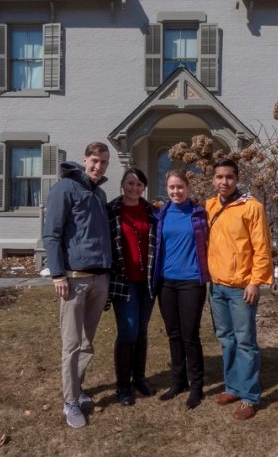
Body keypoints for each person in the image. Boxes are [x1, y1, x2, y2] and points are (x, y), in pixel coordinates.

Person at [42, 142, 112, 429]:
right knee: (71, 344)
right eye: (94, 160)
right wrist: (58, 274)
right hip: (73, 279)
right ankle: (70, 401)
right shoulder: (65, 188)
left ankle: (77, 387)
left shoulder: (99, 194)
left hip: (99, 278)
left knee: (86, 343)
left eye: (104, 162)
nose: (98, 166)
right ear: (85, 160)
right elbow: (52, 234)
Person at [206, 159, 273, 421]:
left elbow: (262, 248)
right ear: (213, 180)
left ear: (237, 179)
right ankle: (233, 387)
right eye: (219, 177)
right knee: (226, 338)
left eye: (229, 177)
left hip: (242, 288)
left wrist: (256, 281)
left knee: (245, 342)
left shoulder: (252, 207)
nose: (224, 181)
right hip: (217, 286)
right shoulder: (210, 206)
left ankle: (250, 396)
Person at [153, 169, 209, 409]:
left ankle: (197, 387)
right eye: (172, 187)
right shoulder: (160, 213)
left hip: (191, 281)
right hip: (166, 282)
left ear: (188, 188)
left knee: (190, 335)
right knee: (173, 334)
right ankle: (178, 382)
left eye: (180, 187)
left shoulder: (199, 213)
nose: (176, 191)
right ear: (166, 189)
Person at [106, 167, 159, 406]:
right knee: (128, 331)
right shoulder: (111, 210)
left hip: (146, 282)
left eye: (139, 184)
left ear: (144, 187)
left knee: (142, 330)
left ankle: (139, 377)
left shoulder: (151, 211)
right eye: (130, 183)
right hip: (123, 281)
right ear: (122, 184)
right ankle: (123, 385)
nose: (134, 188)